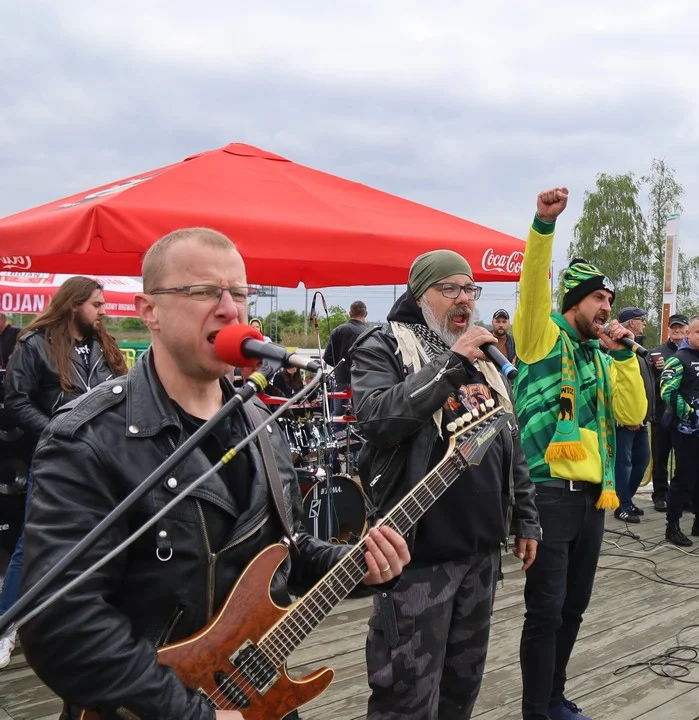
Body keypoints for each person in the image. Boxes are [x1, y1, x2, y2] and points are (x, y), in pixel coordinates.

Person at [16, 228, 409, 718]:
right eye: (202, 291)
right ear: (149, 311)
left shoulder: (260, 425)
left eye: (239, 293)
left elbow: (286, 551)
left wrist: (360, 566)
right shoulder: (87, 438)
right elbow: (61, 624)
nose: (230, 309)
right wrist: (187, 712)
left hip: (254, 697)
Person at [349, 250, 541, 720]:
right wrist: (451, 365)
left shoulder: (484, 359)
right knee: (407, 695)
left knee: (462, 686)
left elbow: (508, 439)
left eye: (469, 289)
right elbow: (377, 419)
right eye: (449, 289)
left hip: (479, 553)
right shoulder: (386, 345)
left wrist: (527, 518)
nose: (463, 300)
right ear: (420, 295)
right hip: (416, 556)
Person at [513, 188, 647, 720]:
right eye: (598, 300)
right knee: (544, 611)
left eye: (610, 303)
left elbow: (634, 414)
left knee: (574, 607)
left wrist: (626, 357)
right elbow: (531, 289)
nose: (607, 310)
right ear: (574, 302)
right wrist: (543, 227)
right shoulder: (541, 336)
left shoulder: (599, 355)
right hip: (548, 494)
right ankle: (535, 711)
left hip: (594, 496)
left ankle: (554, 697)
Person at [0, 276, 129, 668]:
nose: (103, 310)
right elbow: (15, 400)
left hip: (102, 460)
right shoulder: (35, 344)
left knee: (100, 543)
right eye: (97, 304)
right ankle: (5, 627)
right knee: (34, 543)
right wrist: (58, 432)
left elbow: (122, 390)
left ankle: (84, 624)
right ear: (74, 304)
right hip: (56, 456)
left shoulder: (103, 346)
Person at [660, 315, 699, 547]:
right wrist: (691, 415)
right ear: (688, 334)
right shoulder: (678, 359)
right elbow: (667, 391)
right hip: (685, 431)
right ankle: (672, 526)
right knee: (684, 478)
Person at [612, 306, 655, 523]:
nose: (644, 324)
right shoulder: (617, 348)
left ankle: (626, 498)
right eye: (641, 320)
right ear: (630, 323)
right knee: (624, 462)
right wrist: (627, 415)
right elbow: (619, 384)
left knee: (642, 460)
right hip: (624, 419)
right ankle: (622, 504)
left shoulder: (637, 348)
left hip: (640, 416)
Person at [648, 314, 689, 511]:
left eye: (681, 328)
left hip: (684, 416)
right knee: (660, 457)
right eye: (674, 328)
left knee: (685, 460)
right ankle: (660, 495)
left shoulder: (693, 353)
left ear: (687, 330)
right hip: (661, 414)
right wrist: (657, 371)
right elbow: (648, 384)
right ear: (669, 330)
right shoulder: (656, 353)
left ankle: (681, 496)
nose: (677, 331)